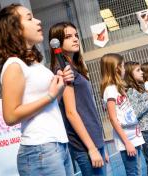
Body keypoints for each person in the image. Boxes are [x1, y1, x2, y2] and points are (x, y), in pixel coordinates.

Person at [0, 4, 74, 176]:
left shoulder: (34, 64)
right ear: (15, 29)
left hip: (56, 145)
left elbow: (48, 106)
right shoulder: (14, 65)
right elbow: (10, 116)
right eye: (29, 18)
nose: (38, 21)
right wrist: (50, 95)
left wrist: (58, 88)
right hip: (40, 150)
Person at [49, 22, 107, 176]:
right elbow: (71, 112)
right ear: (58, 42)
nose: (75, 39)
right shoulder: (63, 71)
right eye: (68, 37)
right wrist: (92, 148)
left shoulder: (75, 67)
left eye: (76, 35)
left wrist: (100, 145)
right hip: (84, 144)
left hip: (94, 138)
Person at [100, 53, 145, 176]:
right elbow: (113, 119)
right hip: (126, 139)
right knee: (133, 172)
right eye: (123, 66)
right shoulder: (110, 90)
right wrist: (127, 143)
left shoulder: (118, 87)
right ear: (116, 68)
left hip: (134, 135)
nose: (124, 69)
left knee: (138, 170)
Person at [124, 61, 148, 176]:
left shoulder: (140, 87)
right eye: (138, 70)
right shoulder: (131, 90)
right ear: (129, 74)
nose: (141, 72)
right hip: (146, 130)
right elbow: (135, 112)